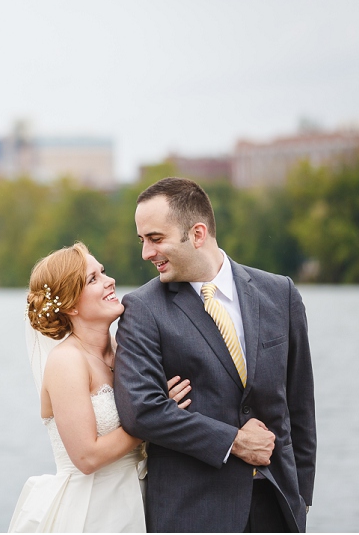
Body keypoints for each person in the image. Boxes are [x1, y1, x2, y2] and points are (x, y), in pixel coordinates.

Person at [114, 177, 316, 532]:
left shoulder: (280, 294)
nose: (146, 253)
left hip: (279, 507)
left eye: (155, 239)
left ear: (197, 233)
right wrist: (234, 441)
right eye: (142, 240)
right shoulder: (142, 309)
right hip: (194, 512)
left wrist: (302, 498)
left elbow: (300, 404)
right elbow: (141, 410)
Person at [9, 243, 192, 533]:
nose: (110, 281)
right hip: (92, 511)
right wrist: (158, 415)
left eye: (103, 272)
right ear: (70, 304)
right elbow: (86, 457)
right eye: (93, 279)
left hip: (144, 501)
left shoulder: (125, 351)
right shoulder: (66, 361)